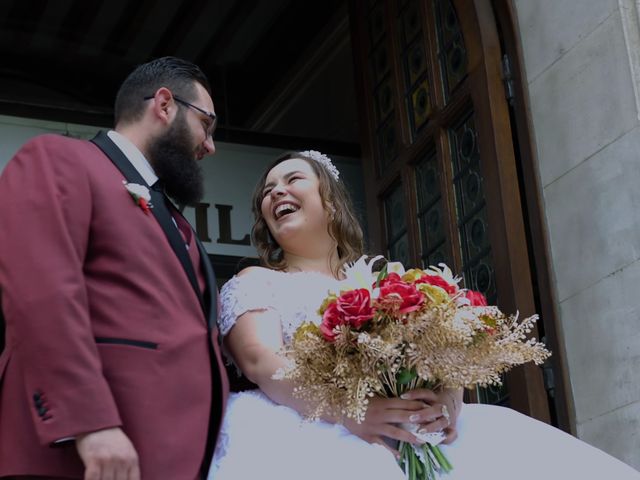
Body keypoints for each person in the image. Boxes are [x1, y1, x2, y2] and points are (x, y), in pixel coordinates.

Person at [210, 150, 640, 479]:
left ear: (332, 202)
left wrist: (448, 401)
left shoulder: (381, 285)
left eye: (292, 179)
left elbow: (432, 363)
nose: (276, 192)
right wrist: (352, 412)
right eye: (268, 190)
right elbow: (261, 361)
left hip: (411, 432)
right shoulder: (256, 280)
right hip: (304, 427)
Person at [0, 56, 229, 479]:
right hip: (80, 457)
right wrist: (88, 421)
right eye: (207, 125)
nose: (209, 146)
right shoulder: (61, 159)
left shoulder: (177, 222)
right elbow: (42, 292)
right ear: (164, 104)